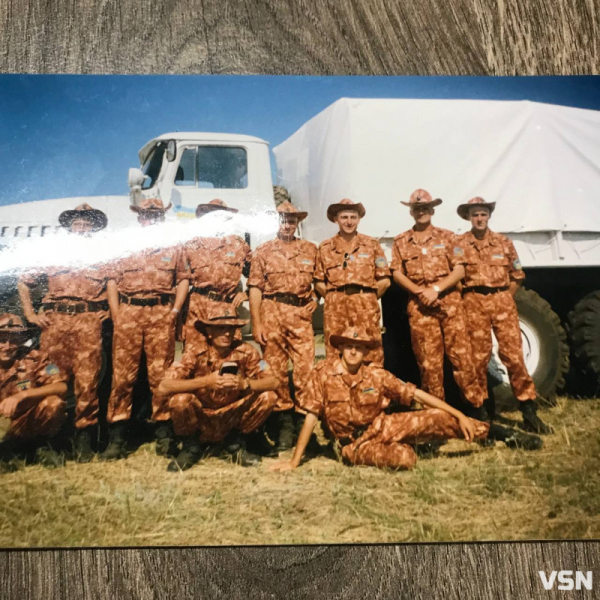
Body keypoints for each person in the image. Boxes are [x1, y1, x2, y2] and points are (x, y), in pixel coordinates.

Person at [270, 327, 491, 472]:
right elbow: (310, 416)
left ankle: (488, 432)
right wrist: (294, 461)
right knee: (406, 459)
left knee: (438, 417)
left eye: (359, 348)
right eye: (349, 346)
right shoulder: (323, 374)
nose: (354, 352)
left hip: (382, 427)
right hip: (355, 444)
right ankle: (402, 446)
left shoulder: (375, 373)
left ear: (366, 352)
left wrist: (459, 414)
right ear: (341, 349)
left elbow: (415, 394)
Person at [18, 203, 111, 462]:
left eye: (87, 223)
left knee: (87, 381)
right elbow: (24, 283)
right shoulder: (52, 253)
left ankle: (83, 439)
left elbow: (115, 285)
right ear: (70, 226)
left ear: (94, 227)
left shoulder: (104, 256)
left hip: (88, 322)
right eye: (77, 223)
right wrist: (30, 314)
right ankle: (48, 438)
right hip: (55, 324)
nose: (81, 227)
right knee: (51, 378)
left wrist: (111, 311)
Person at [101, 198, 190, 460]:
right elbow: (112, 282)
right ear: (139, 217)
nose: (151, 219)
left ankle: (164, 432)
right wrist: (117, 314)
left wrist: (174, 311)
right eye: (147, 214)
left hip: (161, 312)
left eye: (156, 215)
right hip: (128, 312)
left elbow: (183, 281)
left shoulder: (175, 246)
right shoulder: (125, 245)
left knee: (160, 374)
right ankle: (117, 436)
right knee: (123, 376)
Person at [455, 197, 552, 434]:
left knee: (514, 357)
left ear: (489, 216)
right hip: (473, 302)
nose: (479, 218)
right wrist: (468, 297)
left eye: (483, 213)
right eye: (475, 214)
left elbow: (517, 274)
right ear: (468, 217)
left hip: (501, 302)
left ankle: (529, 412)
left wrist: (504, 297)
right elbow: (455, 276)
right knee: (477, 360)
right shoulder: (458, 244)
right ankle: (481, 414)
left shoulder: (504, 243)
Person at [391, 189, 485, 416]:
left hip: (448, 303)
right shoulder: (401, 241)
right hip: (420, 306)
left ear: (432, 210)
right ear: (411, 212)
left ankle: (476, 410)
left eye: (425, 208)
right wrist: (418, 291)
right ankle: (437, 417)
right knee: (429, 364)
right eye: (417, 209)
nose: (421, 212)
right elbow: (395, 272)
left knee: (462, 358)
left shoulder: (449, 237)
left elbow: (460, 270)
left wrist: (436, 289)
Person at [157, 308, 280, 471]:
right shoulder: (194, 352)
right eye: (221, 328)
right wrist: (206, 381)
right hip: (202, 417)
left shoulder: (248, 351)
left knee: (268, 396)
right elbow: (164, 386)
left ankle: (235, 444)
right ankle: (190, 448)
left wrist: (246, 384)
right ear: (209, 331)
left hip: (232, 416)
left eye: (231, 329)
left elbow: (274, 381)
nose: (227, 333)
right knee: (180, 400)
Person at [248, 198, 317, 453]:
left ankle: (304, 424)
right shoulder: (263, 251)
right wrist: (257, 323)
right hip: (271, 313)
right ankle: (283, 426)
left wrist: (316, 300)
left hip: (299, 315)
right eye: (282, 220)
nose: (286, 224)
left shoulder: (311, 249)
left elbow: (320, 281)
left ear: (297, 222)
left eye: (291, 220)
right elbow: (255, 288)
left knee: (305, 370)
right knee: (274, 371)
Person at [314, 199, 390, 366]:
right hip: (336, 306)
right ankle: (338, 390)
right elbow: (319, 281)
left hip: (365, 305)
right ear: (336, 219)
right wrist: (335, 298)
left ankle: (371, 389)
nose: (349, 222)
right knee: (334, 350)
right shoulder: (325, 247)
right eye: (344, 217)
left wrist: (367, 298)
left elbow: (384, 280)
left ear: (359, 219)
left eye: (353, 217)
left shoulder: (372, 245)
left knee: (371, 349)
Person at [0, 313, 68, 467]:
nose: (7, 346)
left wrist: (22, 395)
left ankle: (40, 447)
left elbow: (61, 386)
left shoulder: (39, 357)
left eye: (13, 340)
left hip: (24, 422)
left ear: (21, 340)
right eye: (2, 340)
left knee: (53, 403)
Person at [182, 199, 251, 349]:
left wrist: (247, 293)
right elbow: (179, 280)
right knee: (196, 355)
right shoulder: (191, 245)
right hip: (198, 308)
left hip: (226, 308)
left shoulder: (239, 244)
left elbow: (258, 273)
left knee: (228, 357)